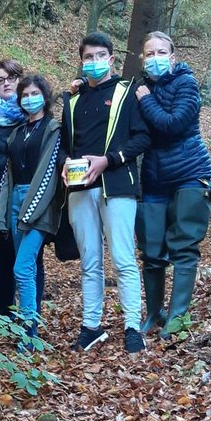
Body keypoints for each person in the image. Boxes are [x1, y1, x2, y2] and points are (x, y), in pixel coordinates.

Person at [60, 32, 150, 354]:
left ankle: (132, 328)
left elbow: (141, 138)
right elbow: (66, 147)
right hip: (80, 189)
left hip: (117, 187)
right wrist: (64, 168)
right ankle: (91, 326)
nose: (94, 62)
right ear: (82, 61)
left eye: (101, 56)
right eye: (88, 57)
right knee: (90, 262)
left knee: (124, 259)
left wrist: (108, 161)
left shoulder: (127, 93)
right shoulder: (73, 100)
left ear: (111, 59)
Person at [133, 31, 211, 336]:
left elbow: (173, 124)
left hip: (190, 174)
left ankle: (178, 317)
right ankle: (154, 313)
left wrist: (147, 100)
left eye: (161, 52)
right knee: (152, 250)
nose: (155, 59)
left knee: (184, 247)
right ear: (142, 59)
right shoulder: (138, 89)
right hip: (153, 179)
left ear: (173, 57)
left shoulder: (186, 84)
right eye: (150, 53)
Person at [0, 75, 62, 341]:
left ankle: (28, 330)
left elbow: (48, 173)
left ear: (45, 96)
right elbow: (7, 176)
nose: (30, 98)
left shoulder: (53, 128)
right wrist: (2, 215)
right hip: (15, 202)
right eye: (25, 95)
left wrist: (30, 210)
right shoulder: (17, 133)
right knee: (27, 267)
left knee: (22, 268)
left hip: (40, 205)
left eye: (35, 93)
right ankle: (29, 328)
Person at [0, 59, 46, 318]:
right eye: (0, 79)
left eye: (11, 77)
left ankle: (31, 314)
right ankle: (5, 316)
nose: (6, 83)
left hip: (31, 196)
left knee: (32, 259)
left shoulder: (34, 117)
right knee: (3, 258)